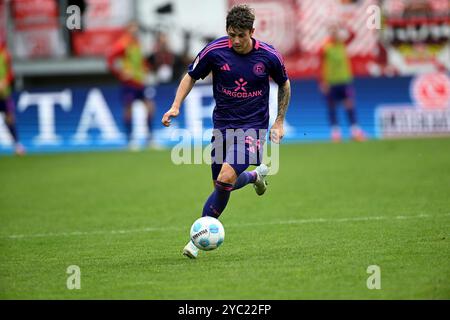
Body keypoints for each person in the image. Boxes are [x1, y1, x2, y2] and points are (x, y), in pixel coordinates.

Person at [161, 5, 291, 259]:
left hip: (253, 128)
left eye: (241, 35)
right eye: (231, 35)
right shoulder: (215, 51)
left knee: (225, 177)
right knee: (222, 185)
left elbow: (284, 84)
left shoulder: (269, 56)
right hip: (222, 127)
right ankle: (255, 176)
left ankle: (195, 242)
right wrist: (175, 106)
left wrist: (279, 121)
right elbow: (190, 76)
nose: (236, 41)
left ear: (252, 32)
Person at [107, 22, 156, 150]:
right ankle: (130, 140)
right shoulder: (122, 44)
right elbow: (110, 59)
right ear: (127, 30)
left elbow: (141, 60)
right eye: (133, 29)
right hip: (129, 83)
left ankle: (149, 139)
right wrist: (120, 73)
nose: (135, 31)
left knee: (150, 107)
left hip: (140, 82)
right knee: (128, 109)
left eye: (136, 29)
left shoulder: (137, 43)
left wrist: (147, 69)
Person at [318, 24, 366, 142]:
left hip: (345, 80)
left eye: (336, 31)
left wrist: (343, 25)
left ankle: (355, 131)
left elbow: (353, 35)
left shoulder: (342, 43)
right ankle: (336, 133)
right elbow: (321, 66)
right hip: (331, 82)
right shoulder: (325, 47)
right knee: (332, 106)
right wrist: (322, 81)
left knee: (349, 105)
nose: (335, 34)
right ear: (329, 33)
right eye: (332, 31)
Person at [0, 42, 25, 156]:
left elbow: (10, 73)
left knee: (9, 118)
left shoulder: (4, 54)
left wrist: (4, 82)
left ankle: (17, 144)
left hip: (3, 93)